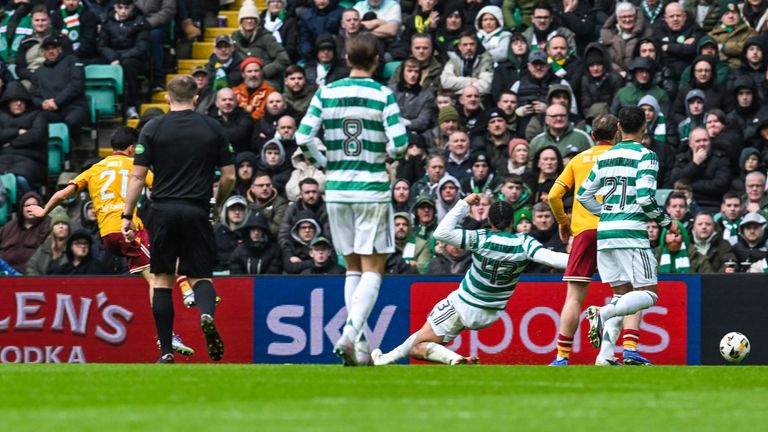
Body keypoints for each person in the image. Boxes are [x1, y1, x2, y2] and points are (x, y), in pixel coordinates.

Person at [30, 126, 196, 356]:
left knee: (158, 268)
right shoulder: (136, 166)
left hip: (108, 236)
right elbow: (161, 189)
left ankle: (185, 292)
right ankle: (169, 331)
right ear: (130, 149)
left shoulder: (94, 169)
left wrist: (43, 212)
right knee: (158, 280)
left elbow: (62, 194)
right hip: (128, 229)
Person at [295, 33, 408, 366]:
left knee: (353, 267)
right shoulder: (382, 94)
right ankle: (348, 334)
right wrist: (381, 156)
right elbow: (400, 143)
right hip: (371, 188)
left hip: (337, 190)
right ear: (376, 61)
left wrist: (325, 162)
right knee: (374, 267)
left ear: (346, 58)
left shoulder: (327, 92)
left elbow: (303, 137)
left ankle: (359, 347)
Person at [371, 194, 569, 366]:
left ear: (490, 221)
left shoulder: (481, 238)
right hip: (491, 313)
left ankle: (451, 359)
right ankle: (385, 359)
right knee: (423, 338)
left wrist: (464, 203)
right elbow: (554, 259)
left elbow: (441, 233)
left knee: (416, 347)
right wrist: (588, 260)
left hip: (463, 305)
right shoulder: (525, 243)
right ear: (512, 222)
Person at [121, 76, 236, 364]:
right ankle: (206, 313)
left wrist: (127, 214)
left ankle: (166, 352)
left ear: (167, 99)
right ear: (197, 98)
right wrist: (217, 204)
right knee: (200, 275)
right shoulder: (212, 128)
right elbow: (230, 176)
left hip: (162, 211)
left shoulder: (153, 127)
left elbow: (137, 177)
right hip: (196, 209)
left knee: (162, 280)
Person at [577, 106, 679, 357]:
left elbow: (582, 195)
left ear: (619, 128)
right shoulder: (647, 156)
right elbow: (645, 198)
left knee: (620, 295)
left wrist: (607, 213)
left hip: (606, 233)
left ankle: (606, 356)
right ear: (645, 128)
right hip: (631, 233)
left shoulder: (606, 156)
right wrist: (667, 222)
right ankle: (602, 313)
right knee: (648, 294)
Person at [547, 113, 645, 365]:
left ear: (592, 136)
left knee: (574, 297)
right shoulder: (624, 157)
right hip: (617, 229)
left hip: (585, 232)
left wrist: (563, 223)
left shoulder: (579, 159)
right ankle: (628, 349)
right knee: (630, 292)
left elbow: (553, 195)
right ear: (617, 134)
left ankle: (561, 357)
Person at [228, 210, 283, 275]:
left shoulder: (274, 251)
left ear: (264, 231)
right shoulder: (238, 252)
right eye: (253, 229)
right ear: (248, 231)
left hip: (267, 284)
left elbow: (272, 274)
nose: (256, 233)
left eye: (259, 229)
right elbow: (236, 275)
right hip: (244, 285)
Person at [25, 210, 71, 275]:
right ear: (52, 229)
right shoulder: (44, 247)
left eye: (64, 223)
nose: (61, 226)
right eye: (57, 224)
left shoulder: (73, 249)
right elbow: (31, 267)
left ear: (69, 228)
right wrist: (41, 282)